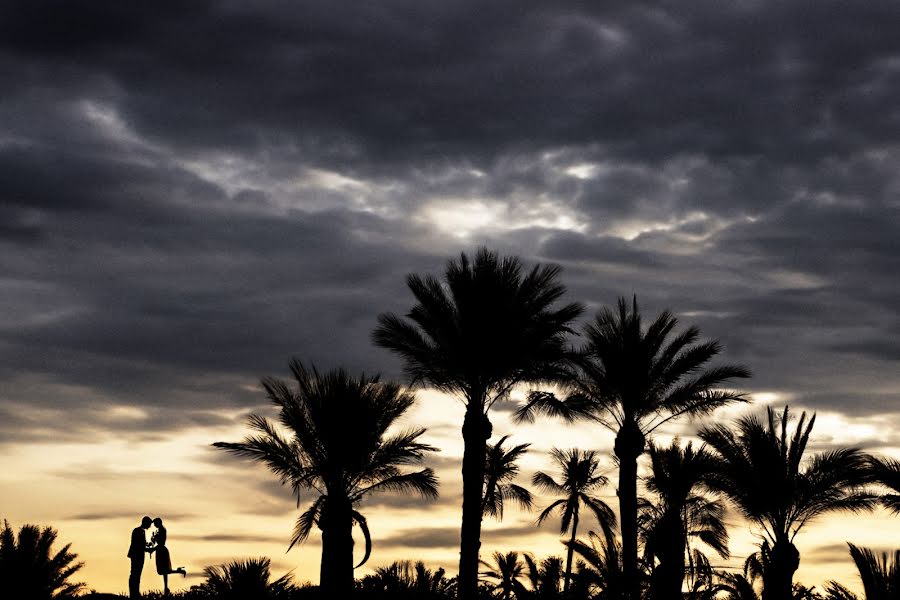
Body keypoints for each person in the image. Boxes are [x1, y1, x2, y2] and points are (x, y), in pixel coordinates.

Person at [150, 517, 186, 595]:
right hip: (160, 550)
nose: (154, 525)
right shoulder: (160, 530)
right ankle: (166, 587)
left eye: (155, 523)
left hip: (161, 550)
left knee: (164, 570)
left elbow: (161, 543)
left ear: (158, 523)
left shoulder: (162, 530)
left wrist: (153, 547)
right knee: (164, 571)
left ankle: (167, 586)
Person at [127, 516, 153, 599]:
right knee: (135, 574)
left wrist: (147, 545)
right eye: (149, 524)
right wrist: (148, 549)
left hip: (138, 555)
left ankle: (135, 592)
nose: (149, 526)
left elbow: (142, 544)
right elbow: (138, 545)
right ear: (145, 522)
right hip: (136, 555)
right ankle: (133, 593)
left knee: (136, 574)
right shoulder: (139, 531)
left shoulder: (140, 531)